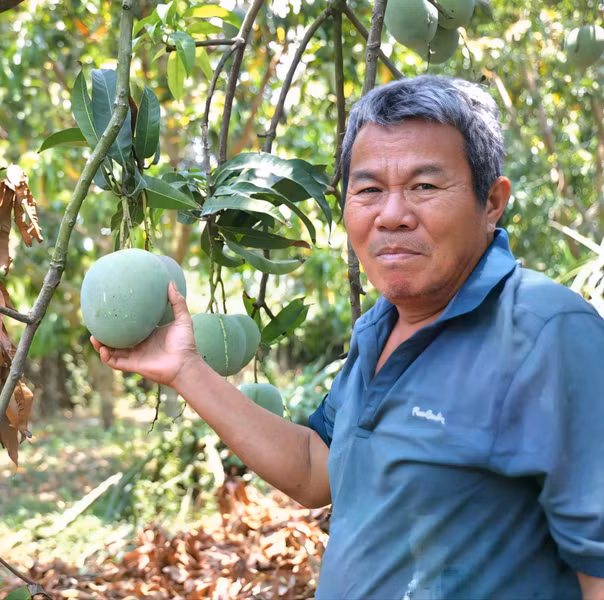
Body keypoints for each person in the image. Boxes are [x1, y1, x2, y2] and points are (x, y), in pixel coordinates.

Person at [90, 75, 604, 599]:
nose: (393, 215)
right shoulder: (379, 328)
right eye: (369, 189)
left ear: (491, 201)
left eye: (425, 186)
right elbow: (317, 469)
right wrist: (186, 370)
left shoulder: (548, 334)